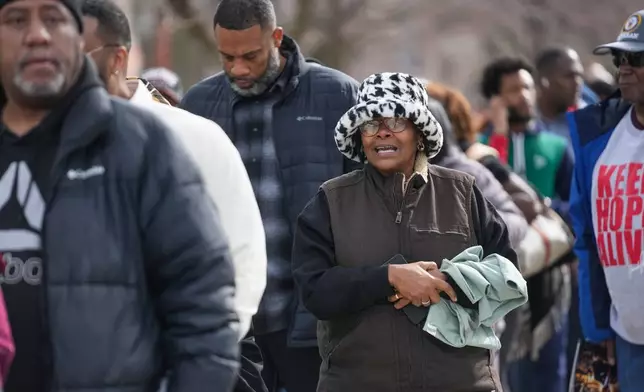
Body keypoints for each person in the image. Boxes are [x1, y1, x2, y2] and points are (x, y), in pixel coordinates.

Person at [0, 1, 240, 391]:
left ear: (77, 36)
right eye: (15, 19)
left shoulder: (143, 147)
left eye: (53, 18)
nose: (37, 34)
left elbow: (205, 314)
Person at [79, 1, 268, 391]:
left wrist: (202, 357)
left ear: (117, 59)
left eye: (74, 56)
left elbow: (244, 259)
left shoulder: (195, 138)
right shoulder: (45, 146)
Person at [292, 72, 517, 391]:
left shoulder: (463, 192)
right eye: (370, 123)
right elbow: (314, 291)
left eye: (397, 121)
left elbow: (508, 273)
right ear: (360, 136)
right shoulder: (329, 201)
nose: (382, 133)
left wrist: (447, 281)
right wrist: (389, 278)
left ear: (420, 134)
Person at [180, 0, 360, 390]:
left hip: (312, 321)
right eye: (227, 57)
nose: (238, 69)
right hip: (232, 324)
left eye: (250, 55)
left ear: (276, 38)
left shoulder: (338, 95)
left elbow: (365, 205)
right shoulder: (197, 106)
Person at [479, 57, 574, 392]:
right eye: (513, 90)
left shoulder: (557, 146)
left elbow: (575, 203)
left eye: (528, 86)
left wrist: (545, 209)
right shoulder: (480, 148)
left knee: (548, 365)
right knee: (499, 368)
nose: (524, 95)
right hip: (497, 272)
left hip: (548, 269)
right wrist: (499, 135)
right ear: (495, 99)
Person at [568, 9, 644, 390]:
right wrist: (598, 328)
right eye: (621, 59)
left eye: (638, 59)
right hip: (627, 334)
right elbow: (588, 241)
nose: (624, 69)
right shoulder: (597, 140)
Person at [534, 46, 586, 144]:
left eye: (579, 76)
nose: (577, 83)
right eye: (569, 76)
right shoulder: (524, 122)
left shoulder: (589, 122)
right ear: (544, 81)